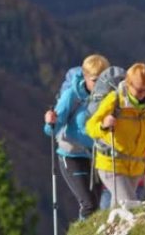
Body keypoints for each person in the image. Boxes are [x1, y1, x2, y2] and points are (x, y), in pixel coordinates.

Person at [85, 63, 145, 207]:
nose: (143, 94)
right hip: (111, 163)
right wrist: (104, 125)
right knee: (130, 205)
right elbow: (90, 127)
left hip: (135, 167)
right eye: (139, 90)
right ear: (128, 84)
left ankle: (111, 229)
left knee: (119, 208)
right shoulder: (114, 100)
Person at [43, 54, 110, 220]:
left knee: (95, 205)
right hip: (71, 155)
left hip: (96, 155)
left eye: (103, 79)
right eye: (95, 80)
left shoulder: (109, 95)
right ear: (85, 77)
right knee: (89, 204)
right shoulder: (72, 96)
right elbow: (51, 130)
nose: (99, 85)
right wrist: (50, 121)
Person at [98, 140, 145, 208]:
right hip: (110, 185)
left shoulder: (142, 134)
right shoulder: (110, 132)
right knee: (109, 218)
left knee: (128, 215)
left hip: (136, 186)